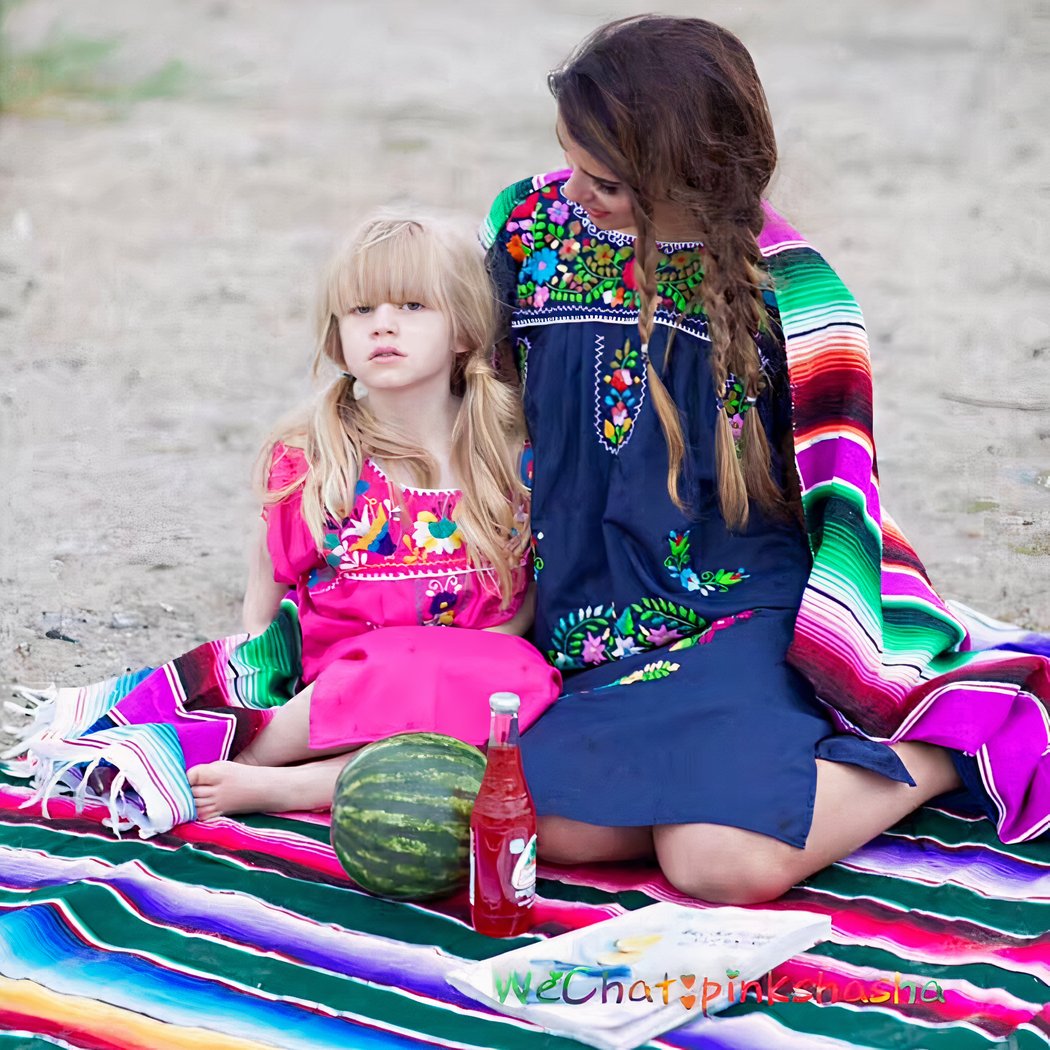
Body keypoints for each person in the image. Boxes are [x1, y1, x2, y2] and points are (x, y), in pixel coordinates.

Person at [482, 15, 1050, 904]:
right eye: (571, 160)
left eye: (608, 182)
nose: (576, 192)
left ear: (688, 172)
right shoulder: (528, 226)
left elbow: (843, 506)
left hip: (737, 608)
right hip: (588, 612)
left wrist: (858, 655)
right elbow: (490, 396)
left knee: (718, 865)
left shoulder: (798, 295)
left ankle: (950, 742)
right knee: (556, 828)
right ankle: (738, 770)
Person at [11, 213, 560, 834]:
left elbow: (524, 601)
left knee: (514, 687)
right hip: (344, 686)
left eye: (411, 305)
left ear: (463, 330)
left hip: (470, 686)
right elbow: (265, 593)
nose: (383, 323)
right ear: (338, 335)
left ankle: (285, 785)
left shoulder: (510, 459)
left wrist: (471, 654)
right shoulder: (320, 459)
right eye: (360, 310)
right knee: (398, 666)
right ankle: (252, 746)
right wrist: (259, 665)